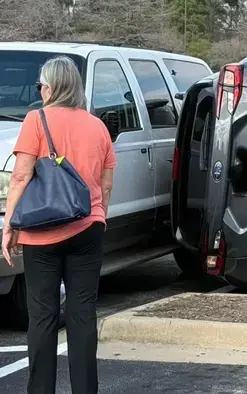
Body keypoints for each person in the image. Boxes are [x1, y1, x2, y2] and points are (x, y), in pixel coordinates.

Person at [1, 56, 116, 394]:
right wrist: (99, 215)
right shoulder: (97, 125)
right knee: (83, 315)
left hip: (41, 234)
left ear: (49, 88)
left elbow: (21, 175)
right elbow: (106, 183)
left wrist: (10, 225)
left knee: (43, 315)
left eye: (40, 85)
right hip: (88, 228)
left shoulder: (36, 120)